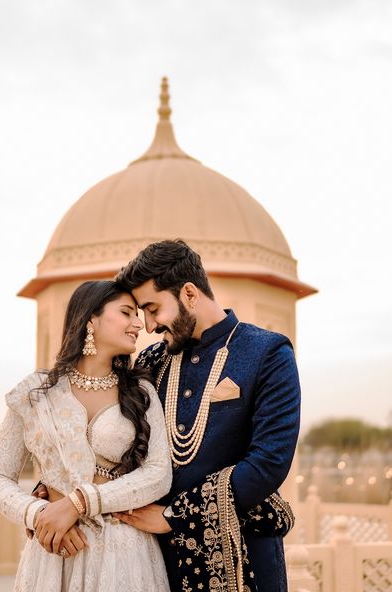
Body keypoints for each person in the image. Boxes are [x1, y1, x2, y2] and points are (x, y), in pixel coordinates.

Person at [112, 239, 300, 592]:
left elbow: (269, 462)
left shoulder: (268, 353)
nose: (149, 325)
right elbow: (115, 432)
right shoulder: (153, 362)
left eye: (153, 308)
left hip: (246, 557)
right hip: (157, 559)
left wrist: (175, 517)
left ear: (189, 293)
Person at [0, 280, 172, 592]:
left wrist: (79, 503)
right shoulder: (35, 393)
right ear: (90, 319)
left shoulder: (140, 392)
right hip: (54, 553)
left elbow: (158, 474)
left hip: (123, 553)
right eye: (126, 313)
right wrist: (41, 515)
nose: (139, 324)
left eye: (138, 314)